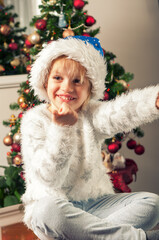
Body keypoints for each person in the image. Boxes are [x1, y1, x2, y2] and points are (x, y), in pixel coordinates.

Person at [21, 36, 159, 240]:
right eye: (58, 78)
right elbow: (50, 177)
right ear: (45, 80)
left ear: (90, 89)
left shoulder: (91, 114)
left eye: (77, 81)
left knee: (152, 203)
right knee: (45, 211)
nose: (67, 87)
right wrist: (62, 128)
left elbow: (121, 112)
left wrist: (152, 101)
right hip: (56, 208)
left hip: (96, 205)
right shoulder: (34, 119)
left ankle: (86, 235)